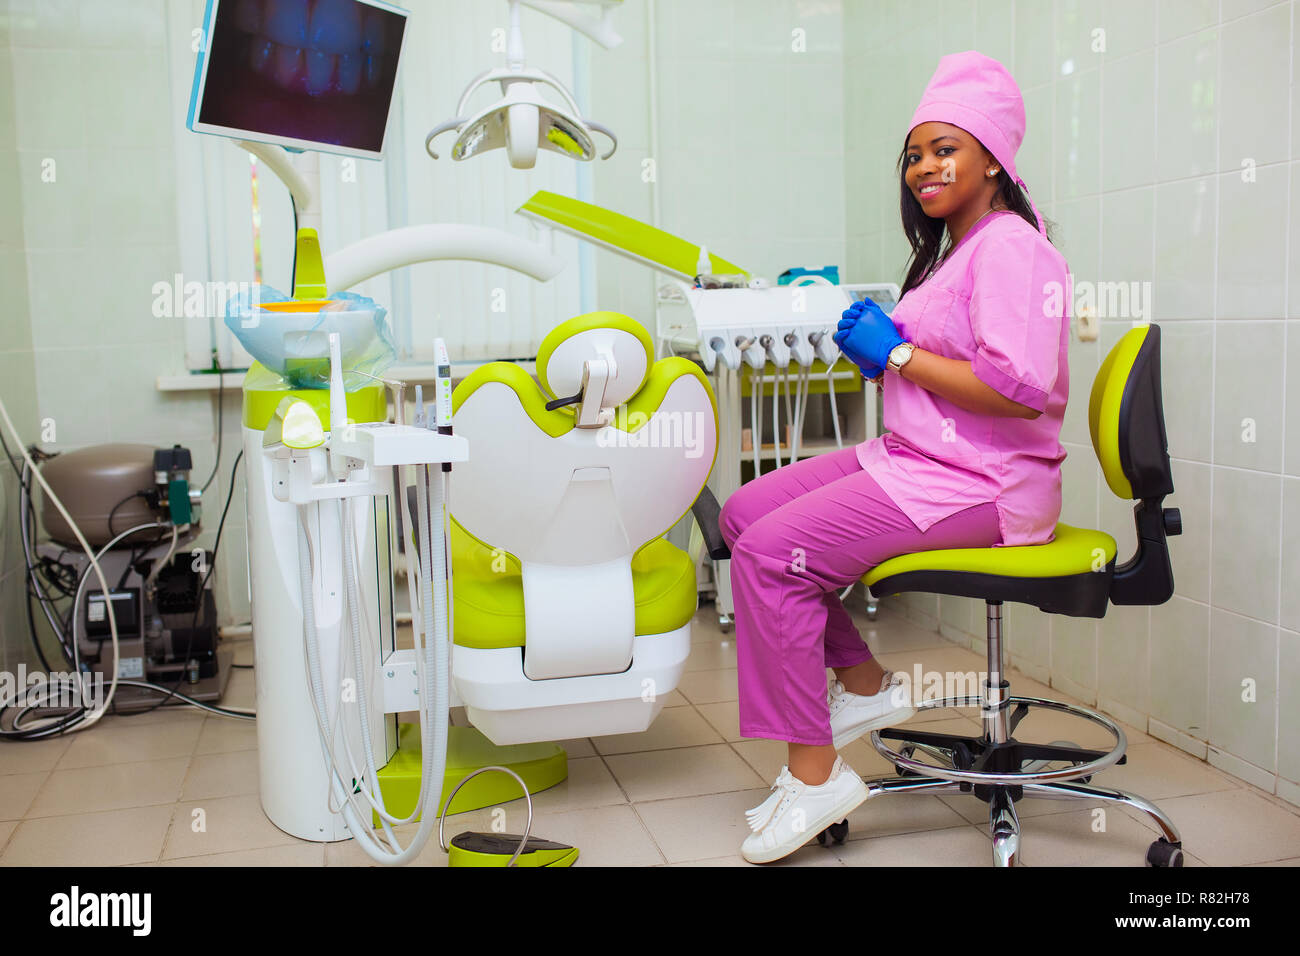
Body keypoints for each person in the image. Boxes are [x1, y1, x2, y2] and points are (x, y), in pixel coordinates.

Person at [720, 50, 1071, 864]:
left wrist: (899, 358)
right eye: (914, 154)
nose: (923, 167)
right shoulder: (956, 250)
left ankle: (815, 778)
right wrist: (888, 345)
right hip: (919, 456)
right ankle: (869, 689)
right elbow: (951, 361)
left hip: (985, 482)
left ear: (993, 159)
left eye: (945, 148)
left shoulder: (1011, 246)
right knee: (744, 515)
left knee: (776, 555)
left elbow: (1019, 389)